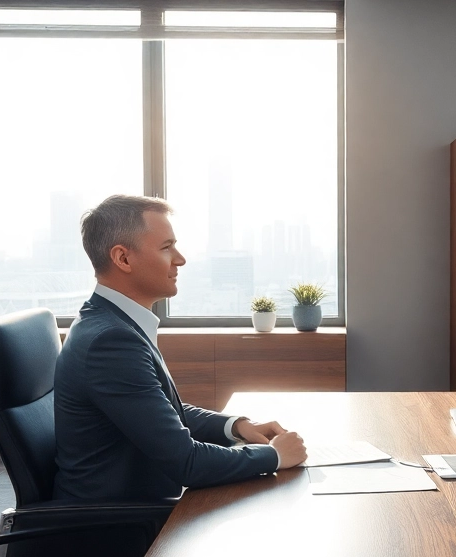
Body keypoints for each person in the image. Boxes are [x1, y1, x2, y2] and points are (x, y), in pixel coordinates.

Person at [53, 194, 307, 500]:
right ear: (123, 259)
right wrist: (275, 457)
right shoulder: (110, 342)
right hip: (120, 529)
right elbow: (187, 462)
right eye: (166, 247)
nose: (180, 259)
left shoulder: (112, 323)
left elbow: (160, 412)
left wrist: (236, 426)